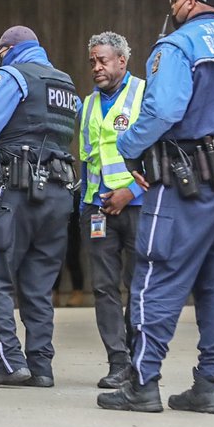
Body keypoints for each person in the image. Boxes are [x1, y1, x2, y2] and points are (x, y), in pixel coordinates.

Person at [99, 0, 214, 415]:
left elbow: (166, 108)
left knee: (158, 271)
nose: (170, 7)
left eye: (175, 0)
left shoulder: (177, 45)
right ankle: (209, 385)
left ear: (191, 2)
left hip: (190, 175)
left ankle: (142, 383)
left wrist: (129, 147)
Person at [0, 25, 80, 389]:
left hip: (13, 191)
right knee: (38, 283)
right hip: (58, 194)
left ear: (10, 49)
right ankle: (41, 366)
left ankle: (9, 360)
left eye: (0, 51)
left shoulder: (12, 75)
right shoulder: (65, 83)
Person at [77, 31, 146, 390]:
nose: (96, 67)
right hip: (98, 209)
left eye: (103, 60)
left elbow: (157, 153)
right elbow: (88, 160)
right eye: (92, 61)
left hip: (136, 207)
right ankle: (117, 361)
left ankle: (138, 359)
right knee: (104, 288)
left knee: (139, 287)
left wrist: (130, 190)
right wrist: (87, 207)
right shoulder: (87, 105)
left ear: (122, 60)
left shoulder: (144, 94)